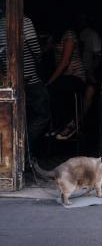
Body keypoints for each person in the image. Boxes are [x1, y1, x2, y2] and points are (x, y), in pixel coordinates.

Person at [46, 17, 86, 140]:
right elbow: (44, 50)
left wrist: (50, 81)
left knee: (56, 88)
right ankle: (59, 125)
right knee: (52, 90)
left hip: (76, 75)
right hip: (63, 76)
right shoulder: (55, 36)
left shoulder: (69, 35)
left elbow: (65, 62)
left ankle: (71, 124)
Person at [23, 16, 50, 157]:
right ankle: (25, 148)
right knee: (43, 114)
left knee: (23, 114)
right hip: (30, 78)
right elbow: (36, 50)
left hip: (10, 79)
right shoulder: (24, 21)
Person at [78, 14, 102, 115]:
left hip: (89, 70)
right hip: (80, 70)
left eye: (83, 20)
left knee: (89, 95)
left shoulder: (92, 34)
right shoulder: (80, 34)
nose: (81, 22)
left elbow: (98, 56)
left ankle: (82, 119)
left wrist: (91, 71)